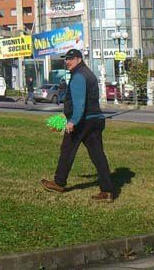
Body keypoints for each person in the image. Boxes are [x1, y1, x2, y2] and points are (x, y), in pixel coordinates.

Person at [41, 49, 114, 202]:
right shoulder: (88, 73)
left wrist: (73, 121)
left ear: (79, 59)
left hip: (83, 121)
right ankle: (107, 191)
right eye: (66, 59)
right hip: (95, 119)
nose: (67, 61)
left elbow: (79, 102)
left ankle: (59, 183)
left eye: (71, 59)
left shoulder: (79, 76)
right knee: (98, 155)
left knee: (67, 150)